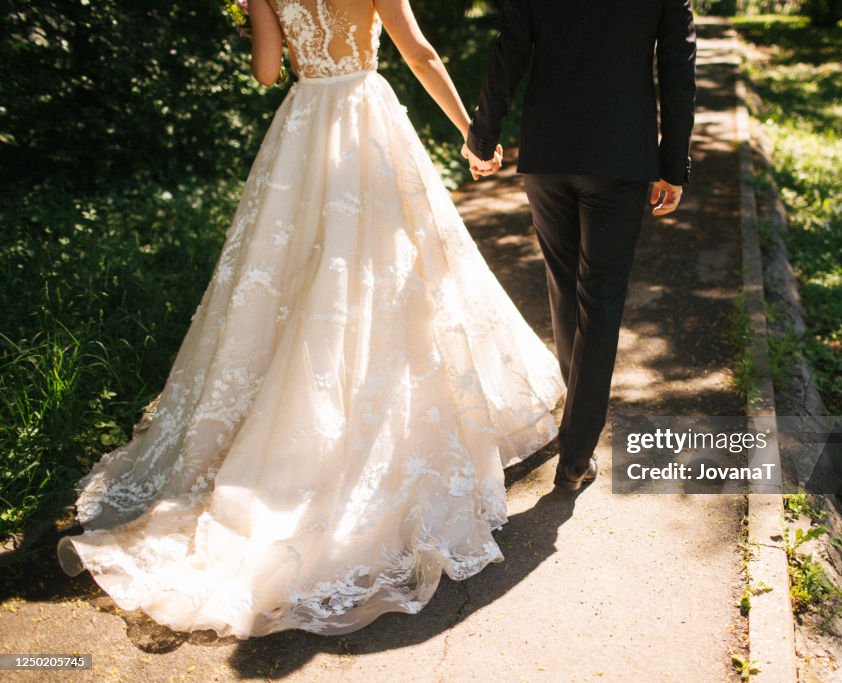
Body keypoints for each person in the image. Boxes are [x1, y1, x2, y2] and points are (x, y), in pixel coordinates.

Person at [56, 0, 566, 639]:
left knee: (293, 273)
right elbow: (419, 53)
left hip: (304, 127)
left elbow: (268, 73)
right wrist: (471, 130)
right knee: (390, 267)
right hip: (366, 121)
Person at [463, 0, 697, 491]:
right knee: (600, 297)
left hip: (548, 149)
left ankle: (577, 430)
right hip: (621, 154)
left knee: (566, 288)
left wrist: (482, 137)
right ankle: (575, 455)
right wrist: (672, 165)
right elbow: (678, 66)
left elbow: (510, 48)